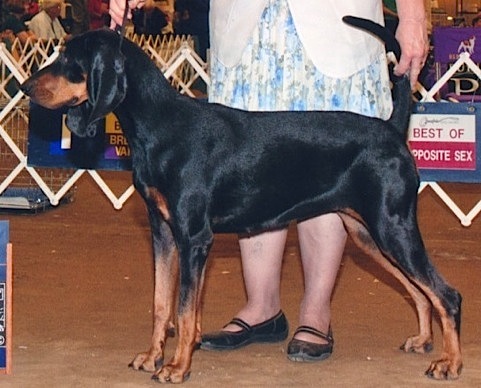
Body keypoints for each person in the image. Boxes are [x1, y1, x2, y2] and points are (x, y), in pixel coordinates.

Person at [201, 0, 428, 362]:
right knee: (252, 165)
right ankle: (262, 309)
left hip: (336, 26)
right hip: (246, 30)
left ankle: (316, 312)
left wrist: (414, 15)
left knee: (331, 169)